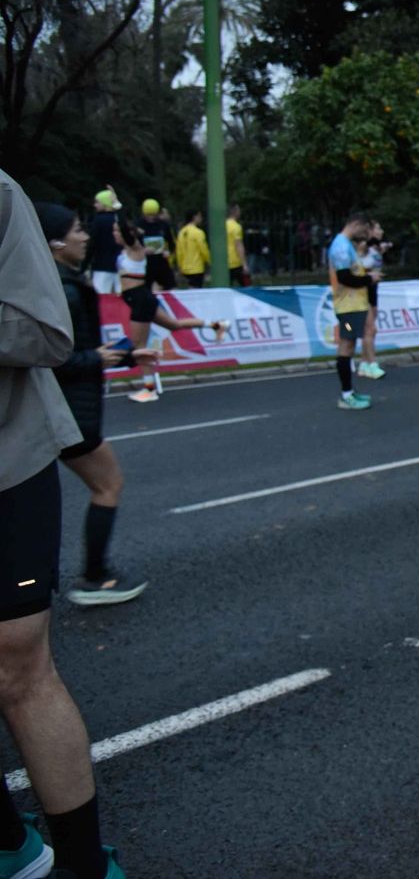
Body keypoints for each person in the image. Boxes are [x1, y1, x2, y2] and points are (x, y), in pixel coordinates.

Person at [1, 179, 129, 879]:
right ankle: (10, 841)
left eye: (87, 226)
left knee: (17, 665)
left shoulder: (1, 199)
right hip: (76, 420)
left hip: (15, 457)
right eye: (78, 227)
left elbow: (48, 337)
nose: (85, 234)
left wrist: (102, 362)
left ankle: (83, 864)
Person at [36, 203, 155, 609]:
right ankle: (94, 577)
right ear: (55, 242)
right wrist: (97, 359)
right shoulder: (64, 290)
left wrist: (127, 356)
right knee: (108, 484)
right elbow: (50, 357)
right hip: (70, 412)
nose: (86, 237)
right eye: (77, 230)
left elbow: (78, 349)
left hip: (66, 409)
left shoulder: (57, 282)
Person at [116, 217, 223, 403]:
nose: (114, 234)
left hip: (140, 300)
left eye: (116, 231)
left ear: (127, 233)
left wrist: (116, 210)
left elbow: (126, 230)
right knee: (174, 325)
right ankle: (216, 325)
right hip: (140, 299)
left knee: (140, 348)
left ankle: (149, 389)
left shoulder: (136, 249)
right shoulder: (125, 251)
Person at [328, 211, 374, 410]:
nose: (364, 236)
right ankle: (346, 395)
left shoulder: (346, 245)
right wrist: (369, 279)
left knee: (349, 345)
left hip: (353, 305)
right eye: (364, 230)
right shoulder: (341, 246)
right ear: (356, 224)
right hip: (347, 307)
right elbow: (345, 277)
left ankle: (349, 391)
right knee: (346, 346)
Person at [357, 220, 388, 381]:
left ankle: (364, 363)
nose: (381, 231)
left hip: (373, 290)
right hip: (362, 291)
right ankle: (373, 364)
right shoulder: (360, 247)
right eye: (378, 228)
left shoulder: (376, 248)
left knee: (369, 331)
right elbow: (355, 268)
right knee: (370, 329)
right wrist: (369, 274)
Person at [134, 199, 177, 292]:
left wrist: (168, 251)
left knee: (171, 286)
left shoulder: (163, 225)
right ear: (143, 213)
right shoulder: (138, 225)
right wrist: (142, 250)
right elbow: (131, 245)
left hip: (161, 260)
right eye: (148, 215)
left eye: (153, 215)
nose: (151, 217)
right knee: (145, 288)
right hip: (145, 263)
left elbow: (172, 244)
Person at [87, 189, 122, 296]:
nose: (95, 205)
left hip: (101, 266)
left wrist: (85, 265)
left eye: (97, 202)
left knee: (100, 297)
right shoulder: (119, 219)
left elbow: (92, 244)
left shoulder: (98, 220)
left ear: (105, 203)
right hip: (121, 267)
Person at [175, 209, 209, 288]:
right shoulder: (198, 232)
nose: (201, 218)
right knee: (196, 289)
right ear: (194, 217)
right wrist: (209, 260)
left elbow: (179, 251)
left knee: (190, 289)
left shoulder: (181, 232)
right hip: (197, 268)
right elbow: (203, 249)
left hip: (185, 268)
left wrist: (180, 265)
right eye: (199, 216)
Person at [225, 203, 249, 286]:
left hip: (225, 261)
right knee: (246, 285)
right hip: (235, 261)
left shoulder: (223, 225)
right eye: (239, 210)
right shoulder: (236, 227)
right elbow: (239, 246)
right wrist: (244, 264)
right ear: (235, 212)